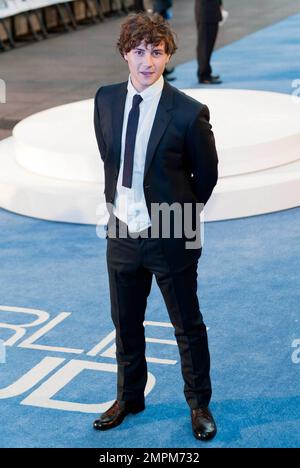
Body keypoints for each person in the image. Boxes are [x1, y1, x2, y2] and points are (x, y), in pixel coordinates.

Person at [93, 12, 219, 441]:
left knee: (187, 325)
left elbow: (207, 176)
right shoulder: (105, 100)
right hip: (121, 233)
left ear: (168, 55)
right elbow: (109, 156)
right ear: (125, 53)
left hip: (171, 235)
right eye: (140, 51)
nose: (148, 61)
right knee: (125, 322)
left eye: (158, 52)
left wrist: (177, 216)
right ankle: (129, 397)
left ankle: (199, 404)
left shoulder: (188, 112)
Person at [195, 0, 223, 84]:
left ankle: (206, 71)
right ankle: (204, 75)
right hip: (206, 13)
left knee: (208, 45)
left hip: (210, 11)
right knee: (205, 46)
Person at [153, 0, 176, 81]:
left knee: (163, 42)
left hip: (161, 8)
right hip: (159, 9)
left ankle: (164, 71)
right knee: (159, 43)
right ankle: (161, 74)